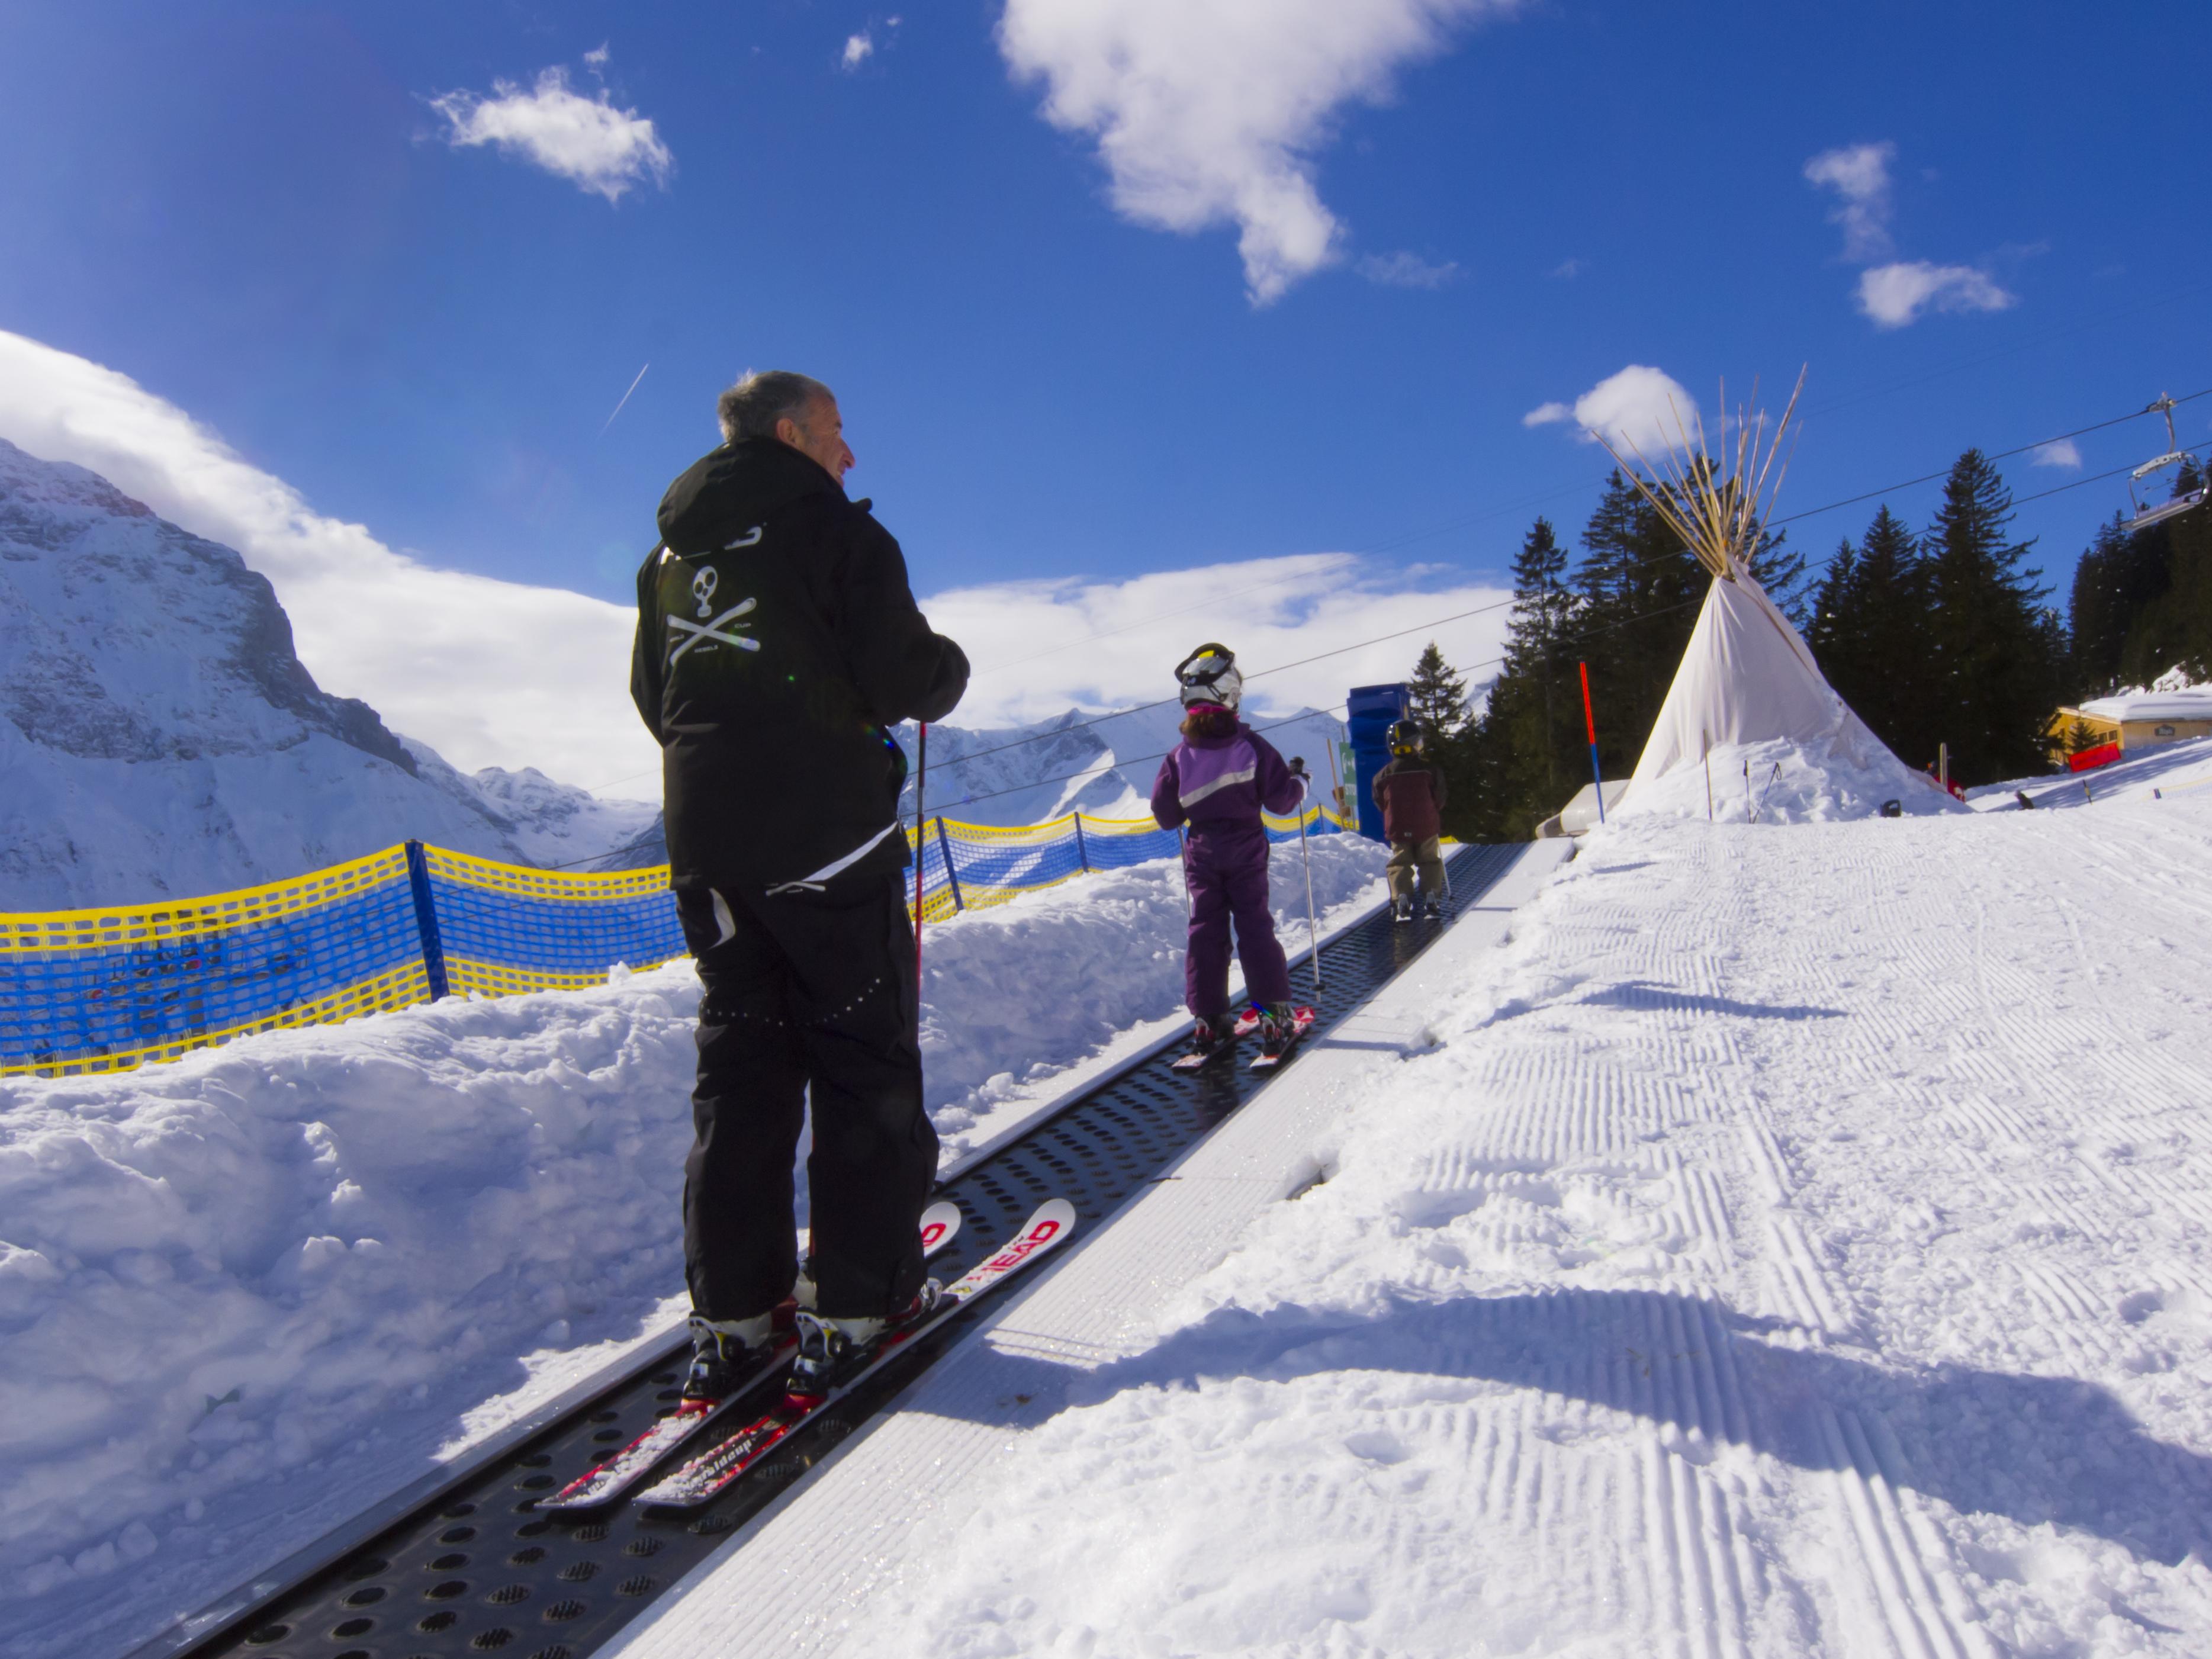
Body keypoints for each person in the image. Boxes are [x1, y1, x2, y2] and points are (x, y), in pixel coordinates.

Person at [630, 369, 969, 1404]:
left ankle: (734, 1312)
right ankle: (859, 1301)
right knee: (863, 1064)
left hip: (708, 854)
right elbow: (905, 676)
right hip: (827, 846)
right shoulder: (838, 534)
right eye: (836, 431)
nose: (848, 453)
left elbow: (655, 694)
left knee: (742, 1069)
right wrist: (946, 668)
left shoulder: (666, 558)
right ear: (790, 433)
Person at [1150, 644, 1307, 1060]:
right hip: (1246, 849)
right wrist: (1300, 783)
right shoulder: (1251, 746)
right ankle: (1272, 1015)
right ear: (1231, 696)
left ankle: (1208, 1019)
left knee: (1206, 931)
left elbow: (1166, 815)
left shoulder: (1179, 756)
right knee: (1254, 927)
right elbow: (1280, 801)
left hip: (1202, 853)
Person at [1371, 719, 1447, 920]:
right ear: (1415, 744)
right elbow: (1440, 798)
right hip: (1426, 825)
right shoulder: (1430, 770)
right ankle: (1431, 896)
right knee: (1429, 860)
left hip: (1397, 827)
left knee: (1400, 863)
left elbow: (1379, 802)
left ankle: (1401, 898)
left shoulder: (1381, 776)